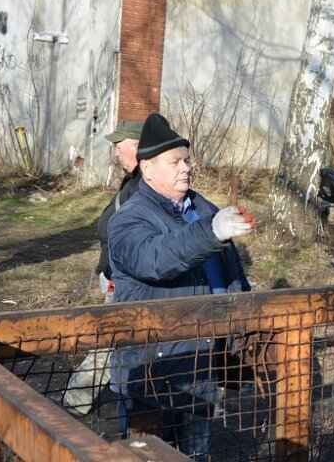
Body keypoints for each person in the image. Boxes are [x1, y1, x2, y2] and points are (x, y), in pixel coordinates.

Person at [107, 113, 253, 458]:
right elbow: (155, 260)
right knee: (147, 455)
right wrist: (211, 231)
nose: (186, 167)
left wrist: (244, 320)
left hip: (203, 361)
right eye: (175, 161)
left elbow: (230, 271)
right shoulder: (129, 218)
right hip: (154, 369)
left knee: (196, 454)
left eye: (187, 159)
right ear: (148, 169)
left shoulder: (203, 207)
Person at [63, 119, 144, 416]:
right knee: (112, 344)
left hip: (125, 281)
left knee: (107, 344)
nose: (115, 153)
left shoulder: (144, 184)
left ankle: (73, 405)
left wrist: (115, 275)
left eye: (118, 147)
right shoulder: (134, 180)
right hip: (116, 277)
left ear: (137, 146)